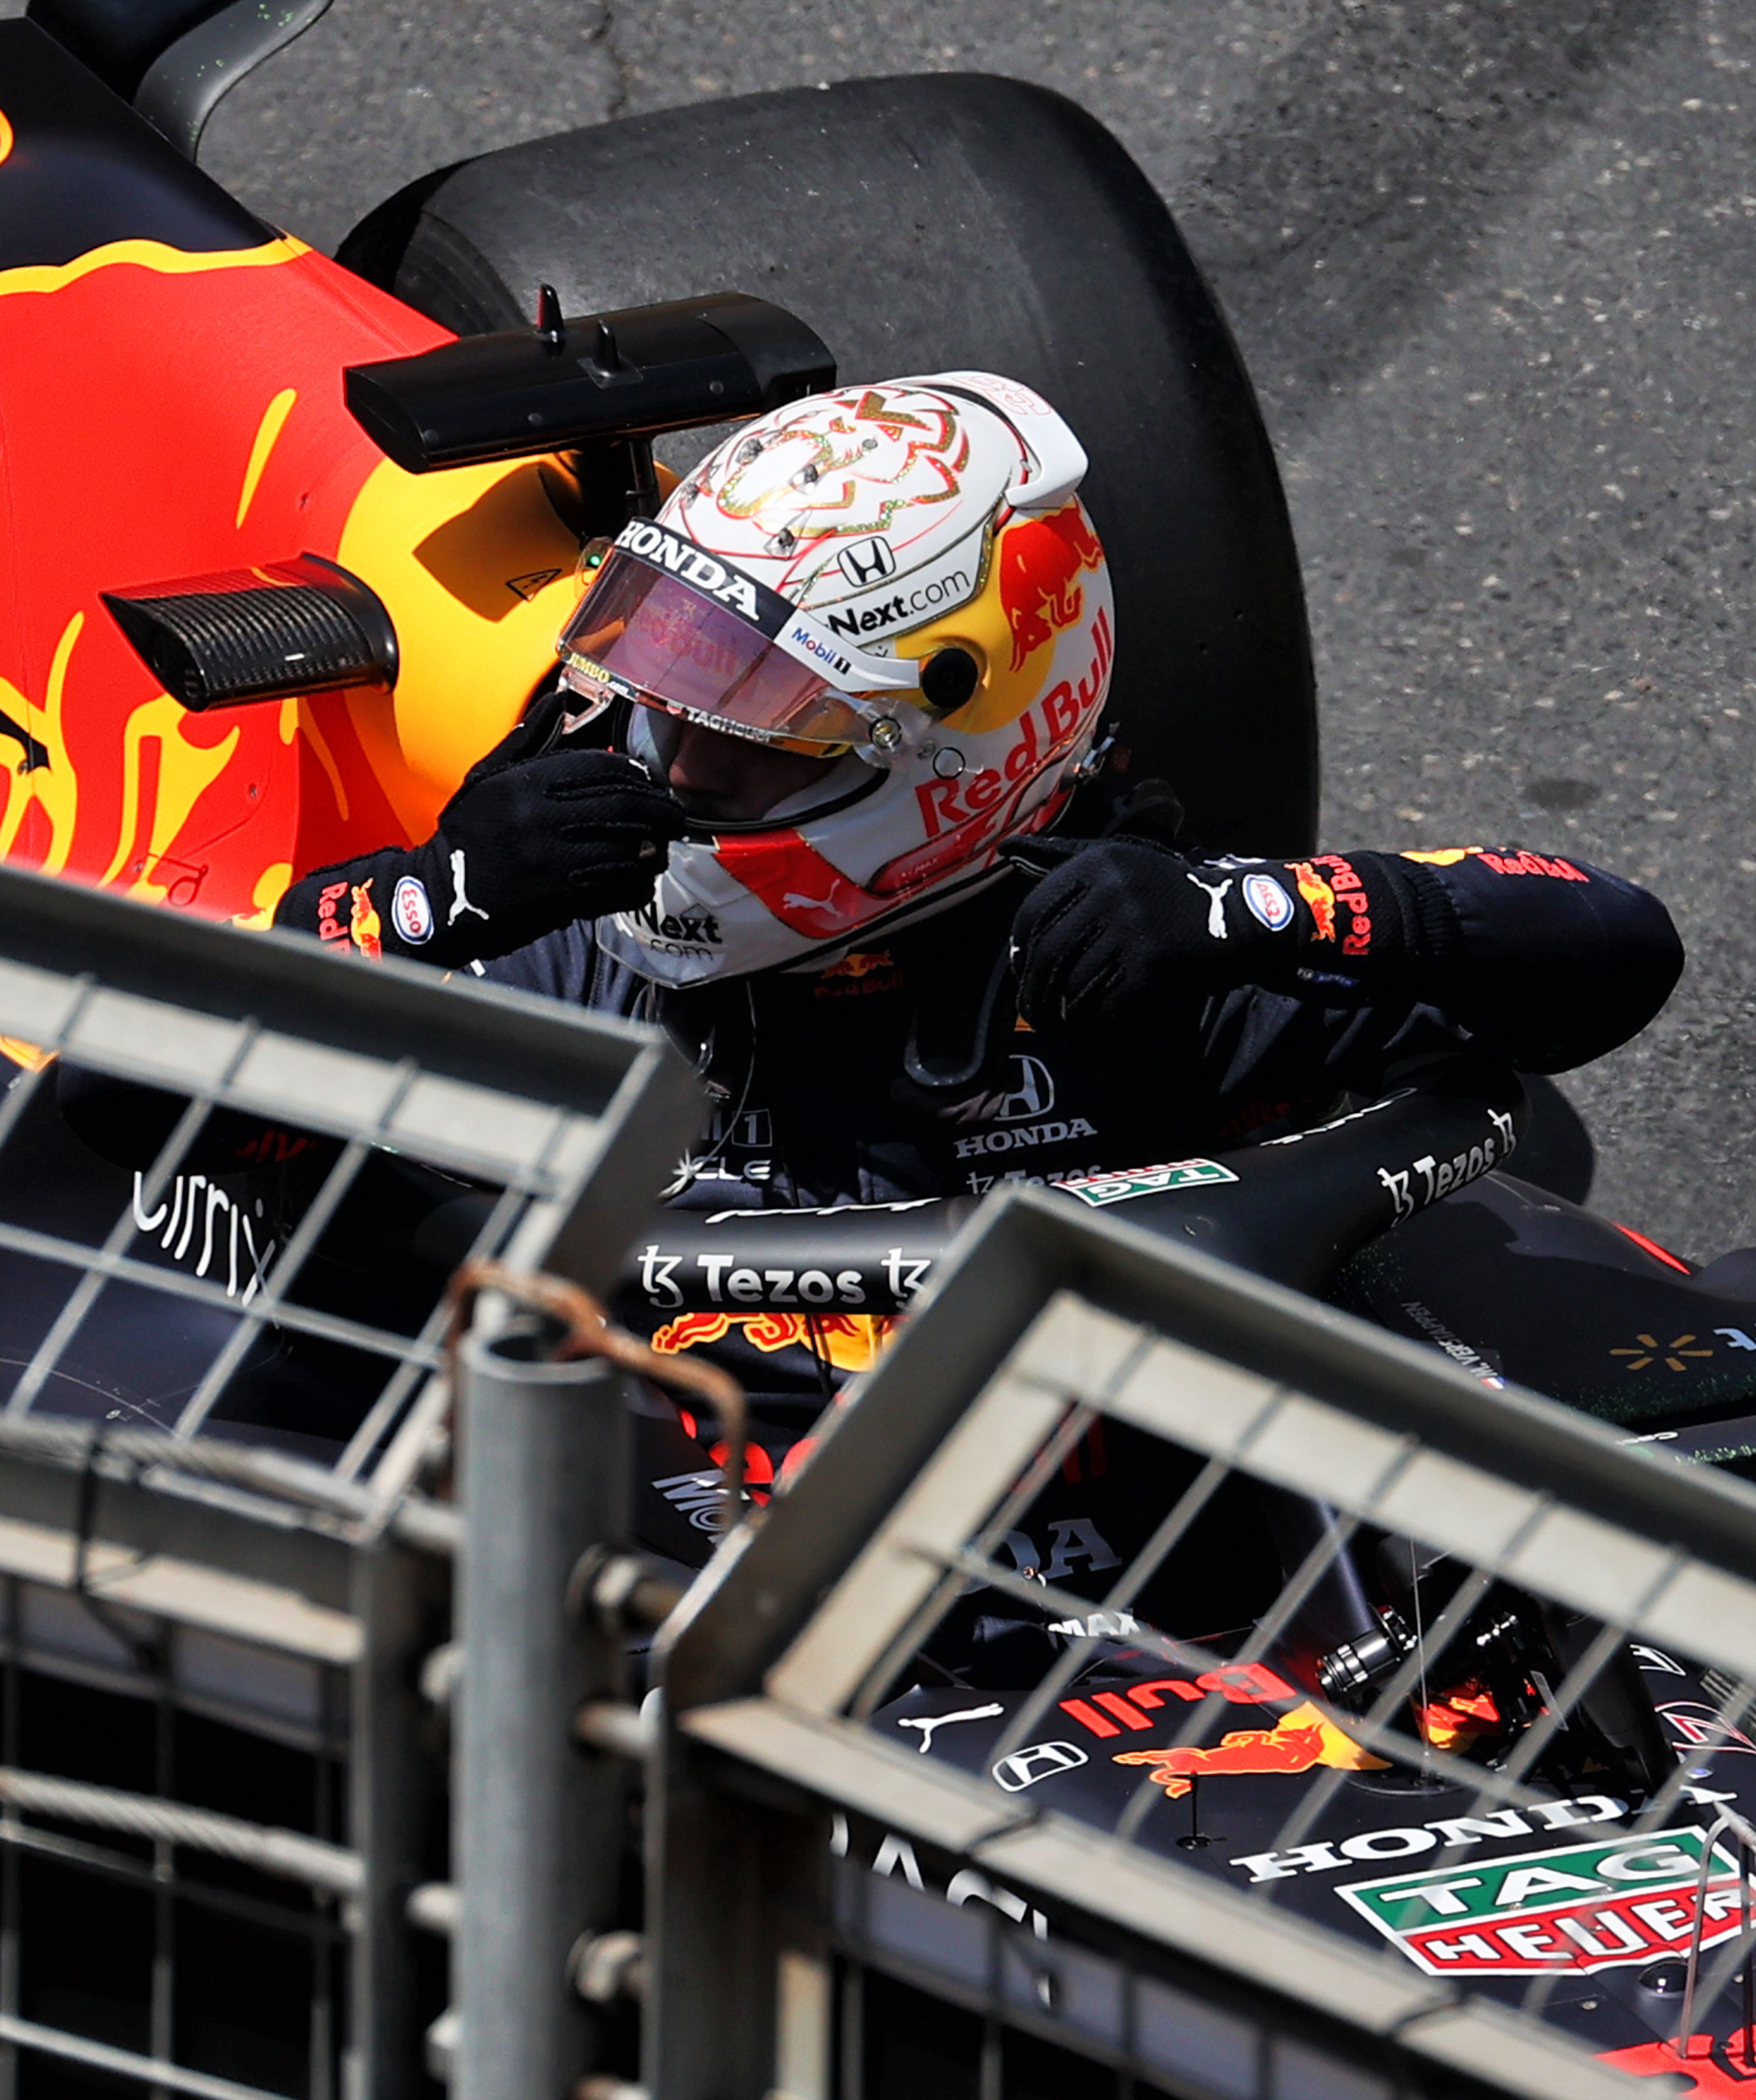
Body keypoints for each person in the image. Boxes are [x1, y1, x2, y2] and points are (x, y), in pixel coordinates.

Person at [258, 373, 1681, 1530]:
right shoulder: (561, 943)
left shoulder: (1125, 967)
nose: (664, 770)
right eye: (653, 702)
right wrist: (431, 901)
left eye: (741, 750)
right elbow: (129, 1109)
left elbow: (1614, 947)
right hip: (683, 1618)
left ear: (947, 756)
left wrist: (1246, 909)